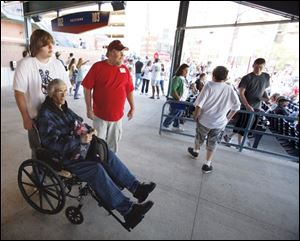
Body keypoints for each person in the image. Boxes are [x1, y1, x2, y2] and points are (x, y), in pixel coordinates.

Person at [36, 79, 156, 229]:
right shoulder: (46, 115)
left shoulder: (62, 107)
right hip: (65, 156)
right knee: (96, 169)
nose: (64, 95)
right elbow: (52, 144)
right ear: (52, 93)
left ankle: (137, 188)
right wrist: (79, 139)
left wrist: (88, 130)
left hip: (79, 148)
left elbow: (78, 122)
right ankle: (129, 211)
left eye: (66, 91)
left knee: (107, 153)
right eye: (60, 91)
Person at [13, 29, 68, 158]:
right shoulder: (25, 64)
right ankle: (38, 175)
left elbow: (65, 90)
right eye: (45, 44)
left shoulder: (58, 64)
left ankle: (53, 174)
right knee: (38, 150)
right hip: (36, 118)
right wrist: (25, 118)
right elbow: (19, 93)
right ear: (37, 46)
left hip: (57, 116)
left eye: (51, 43)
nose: (51, 47)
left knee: (58, 147)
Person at [82, 40, 135, 153]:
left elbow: (129, 89)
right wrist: (88, 109)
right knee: (98, 146)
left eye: (123, 53)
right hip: (100, 117)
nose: (122, 56)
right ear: (111, 53)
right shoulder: (97, 67)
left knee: (113, 147)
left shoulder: (124, 70)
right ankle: (99, 166)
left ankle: (110, 166)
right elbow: (87, 88)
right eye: (120, 52)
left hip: (117, 118)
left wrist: (132, 107)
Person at [188, 66, 240, 173]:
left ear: (213, 75)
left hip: (204, 120)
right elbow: (237, 106)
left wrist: (195, 116)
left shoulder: (209, 85)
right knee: (213, 142)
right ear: (226, 77)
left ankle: (196, 151)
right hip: (219, 123)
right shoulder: (229, 88)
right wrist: (227, 118)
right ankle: (207, 164)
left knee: (199, 136)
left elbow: (199, 104)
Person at [223, 58, 270, 146]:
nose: (258, 69)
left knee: (249, 126)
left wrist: (267, 99)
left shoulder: (266, 77)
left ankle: (230, 137)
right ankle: (239, 144)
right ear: (253, 65)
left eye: (261, 67)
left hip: (257, 106)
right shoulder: (247, 78)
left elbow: (263, 89)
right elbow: (241, 93)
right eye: (257, 67)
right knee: (244, 124)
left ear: (264, 67)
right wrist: (247, 105)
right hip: (247, 106)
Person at [162, 63, 189, 131]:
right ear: (181, 70)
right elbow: (173, 89)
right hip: (177, 99)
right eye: (185, 70)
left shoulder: (184, 78)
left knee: (179, 113)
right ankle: (165, 125)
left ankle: (175, 126)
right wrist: (178, 98)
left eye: (187, 70)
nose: (186, 72)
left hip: (182, 99)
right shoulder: (177, 78)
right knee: (175, 112)